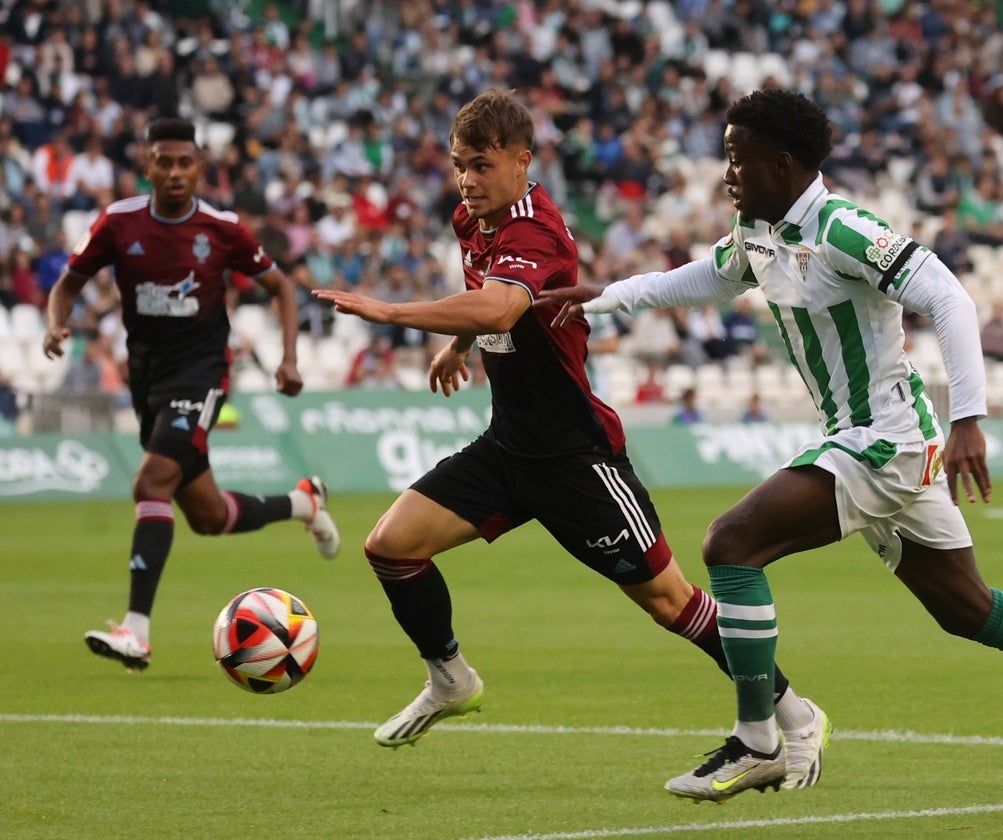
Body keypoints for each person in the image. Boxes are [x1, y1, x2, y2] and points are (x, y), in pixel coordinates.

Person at [541, 89, 1003, 801]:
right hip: (868, 441)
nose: (726, 173)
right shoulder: (760, 230)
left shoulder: (846, 229)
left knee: (731, 544)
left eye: (737, 159)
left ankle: (761, 740)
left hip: (886, 441)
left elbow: (950, 298)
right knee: (967, 609)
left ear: (781, 165)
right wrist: (605, 296)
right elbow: (705, 280)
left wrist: (970, 417)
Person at [311, 89, 829, 789]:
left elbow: (502, 300)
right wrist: (460, 344)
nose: (467, 180)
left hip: (577, 460)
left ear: (522, 161)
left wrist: (389, 310)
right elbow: (486, 298)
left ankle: (794, 716)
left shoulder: (538, 231)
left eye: (483, 166)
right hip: (509, 448)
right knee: (391, 548)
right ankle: (451, 678)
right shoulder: (473, 218)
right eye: (461, 166)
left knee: (673, 603)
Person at [42, 117, 341, 672]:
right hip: (148, 379)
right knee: (207, 515)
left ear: (201, 167)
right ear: (147, 165)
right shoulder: (119, 223)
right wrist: (56, 323)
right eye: (164, 161)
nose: (175, 172)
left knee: (150, 481)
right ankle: (305, 503)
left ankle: (136, 631)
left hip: (201, 373)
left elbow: (282, 288)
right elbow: (68, 283)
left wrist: (290, 357)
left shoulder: (222, 230)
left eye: (185, 163)